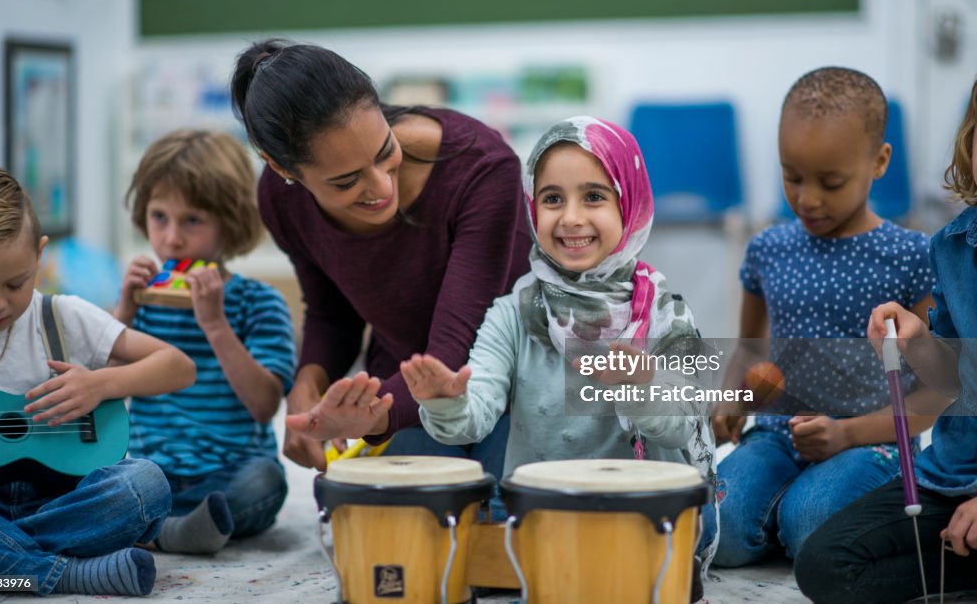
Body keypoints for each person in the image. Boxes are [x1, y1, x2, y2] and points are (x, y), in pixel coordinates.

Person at [400, 116, 719, 581]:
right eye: (552, 199)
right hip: (545, 515)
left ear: (629, 202)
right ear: (532, 207)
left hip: (646, 517)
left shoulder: (667, 311)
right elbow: (476, 414)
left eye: (594, 196)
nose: (570, 218)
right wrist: (447, 401)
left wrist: (643, 384)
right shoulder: (512, 312)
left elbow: (684, 425)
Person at [230, 40, 530, 474]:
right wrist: (307, 386)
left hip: (507, 387)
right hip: (400, 390)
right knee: (392, 504)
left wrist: (372, 415)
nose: (380, 186)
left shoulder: (482, 169)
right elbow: (332, 314)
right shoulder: (281, 198)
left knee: (503, 497)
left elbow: (457, 347)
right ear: (282, 169)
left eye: (385, 150)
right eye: (346, 180)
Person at [711, 67, 946, 567]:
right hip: (778, 434)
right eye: (792, 177)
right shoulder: (767, 250)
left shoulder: (910, 256)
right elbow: (751, 351)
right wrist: (734, 396)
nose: (808, 198)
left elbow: (938, 389)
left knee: (811, 521)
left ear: (879, 162)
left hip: (872, 440)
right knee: (719, 529)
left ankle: (793, 516)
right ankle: (779, 514)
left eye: (831, 182)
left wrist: (845, 434)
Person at [0, 164, 195, 596]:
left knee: (144, 484)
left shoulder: (63, 317)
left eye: (15, 283)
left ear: (39, 256)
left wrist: (101, 384)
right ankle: (67, 572)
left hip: (66, 501)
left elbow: (178, 365)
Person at [795, 78, 977, 603]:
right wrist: (917, 341)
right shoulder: (952, 245)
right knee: (824, 565)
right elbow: (949, 384)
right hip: (950, 477)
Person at [115, 130, 296, 554]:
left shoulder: (259, 301)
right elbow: (98, 384)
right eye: (159, 217)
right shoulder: (140, 301)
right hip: (150, 471)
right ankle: (176, 530)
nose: (171, 238)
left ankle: (158, 529)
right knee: (91, 477)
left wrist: (215, 323)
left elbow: (265, 405)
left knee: (265, 484)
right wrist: (123, 312)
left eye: (192, 221)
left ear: (229, 224)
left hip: (229, 474)